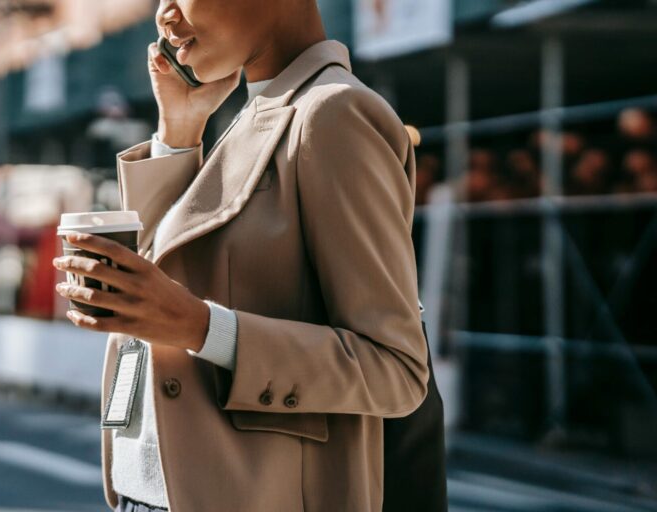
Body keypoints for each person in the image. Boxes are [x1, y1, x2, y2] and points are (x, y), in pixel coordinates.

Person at [53, 0, 446, 510]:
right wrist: (179, 132)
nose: (163, 14)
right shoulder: (256, 112)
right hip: (153, 493)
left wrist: (200, 326)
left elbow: (396, 367)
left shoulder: (333, 113)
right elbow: (171, 268)